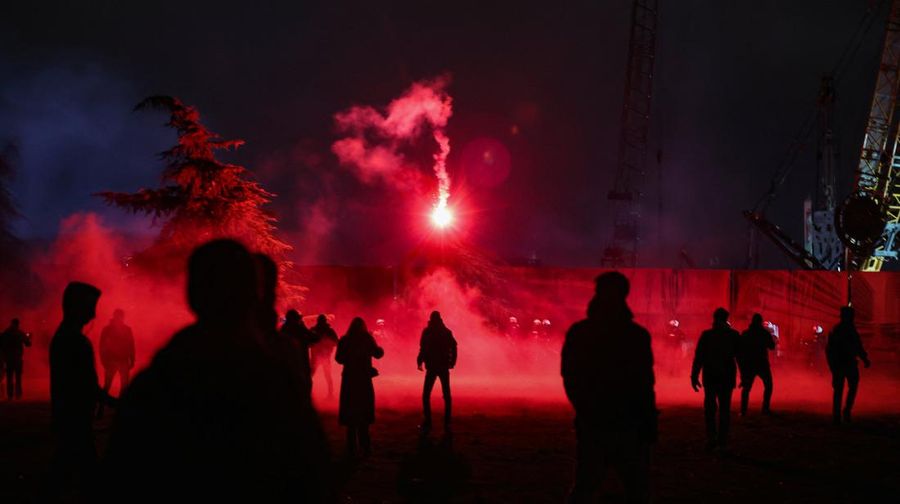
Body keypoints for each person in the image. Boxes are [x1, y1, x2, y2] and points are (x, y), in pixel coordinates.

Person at [103, 240, 328, 501]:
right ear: (251, 299)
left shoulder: (156, 384)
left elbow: (118, 479)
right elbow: (312, 478)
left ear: (193, 295)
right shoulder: (274, 384)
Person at [561, 272, 657, 504]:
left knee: (585, 486)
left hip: (594, 421)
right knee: (636, 488)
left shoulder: (581, 332)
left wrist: (585, 410)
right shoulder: (636, 335)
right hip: (629, 422)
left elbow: (571, 377)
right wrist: (649, 420)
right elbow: (645, 382)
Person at [49, 282, 116, 495]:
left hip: (67, 414)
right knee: (86, 473)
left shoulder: (63, 338)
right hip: (75, 415)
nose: (93, 313)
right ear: (77, 307)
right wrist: (115, 403)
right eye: (90, 306)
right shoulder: (75, 341)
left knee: (67, 468)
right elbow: (87, 385)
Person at [691, 307, 740, 451]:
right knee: (724, 409)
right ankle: (722, 440)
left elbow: (699, 357)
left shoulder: (707, 335)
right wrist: (745, 376)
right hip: (726, 377)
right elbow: (740, 357)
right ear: (726, 318)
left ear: (714, 318)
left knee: (710, 409)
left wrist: (694, 376)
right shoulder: (733, 335)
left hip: (711, 376)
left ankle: (712, 438)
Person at [335, 317, 384, 457]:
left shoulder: (345, 340)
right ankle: (365, 446)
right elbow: (378, 354)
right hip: (363, 379)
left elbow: (339, 359)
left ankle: (351, 447)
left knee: (351, 413)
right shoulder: (367, 339)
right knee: (364, 411)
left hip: (350, 379)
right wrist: (376, 345)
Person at [826, 306, 870, 425]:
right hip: (847, 363)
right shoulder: (849, 330)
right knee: (851, 387)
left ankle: (838, 416)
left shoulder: (836, 330)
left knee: (839, 390)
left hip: (840, 364)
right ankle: (845, 412)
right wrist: (864, 359)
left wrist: (832, 365)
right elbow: (858, 346)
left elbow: (829, 350)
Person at [417, 311, 457, 436]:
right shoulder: (445, 332)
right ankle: (447, 420)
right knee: (446, 395)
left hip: (433, 366)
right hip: (442, 366)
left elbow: (423, 348)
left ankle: (429, 420)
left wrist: (419, 361)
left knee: (426, 395)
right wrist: (452, 362)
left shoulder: (428, 332)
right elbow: (454, 346)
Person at [737, 313, 775, 416]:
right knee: (769, 385)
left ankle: (743, 410)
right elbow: (772, 346)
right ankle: (765, 408)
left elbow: (740, 350)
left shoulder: (746, 333)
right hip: (762, 362)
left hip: (750, 363)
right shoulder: (764, 333)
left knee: (746, 387)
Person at [280, 309, 319, 394]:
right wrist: (305, 328)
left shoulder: (284, 329)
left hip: (287, 363)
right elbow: (315, 338)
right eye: (299, 318)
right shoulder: (299, 329)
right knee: (305, 384)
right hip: (301, 362)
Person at [99, 309, 135, 395]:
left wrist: (132, 359)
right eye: (118, 316)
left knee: (123, 386)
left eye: (120, 316)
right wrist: (103, 360)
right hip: (113, 361)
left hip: (121, 361)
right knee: (108, 385)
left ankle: (116, 406)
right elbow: (102, 346)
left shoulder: (126, 330)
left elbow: (131, 345)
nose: (119, 318)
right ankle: (103, 406)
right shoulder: (108, 330)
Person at [0, 318, 31, 399]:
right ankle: (18, 394)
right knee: (18, 377)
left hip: (9, 358)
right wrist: (29, 338)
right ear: (17, 324)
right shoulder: (20, 333)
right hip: (17, 358)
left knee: (9, 377)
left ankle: (10, 395)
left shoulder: (6, 333)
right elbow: (28, 344)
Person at [310, 314, 338, 398]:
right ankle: (330, 394)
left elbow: (336, 342)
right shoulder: (329, 330)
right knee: (327, 375)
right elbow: (336, 342)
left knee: (311, 375)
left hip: (319, 356)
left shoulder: (314, 330)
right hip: (322, 356)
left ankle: (307, 393)